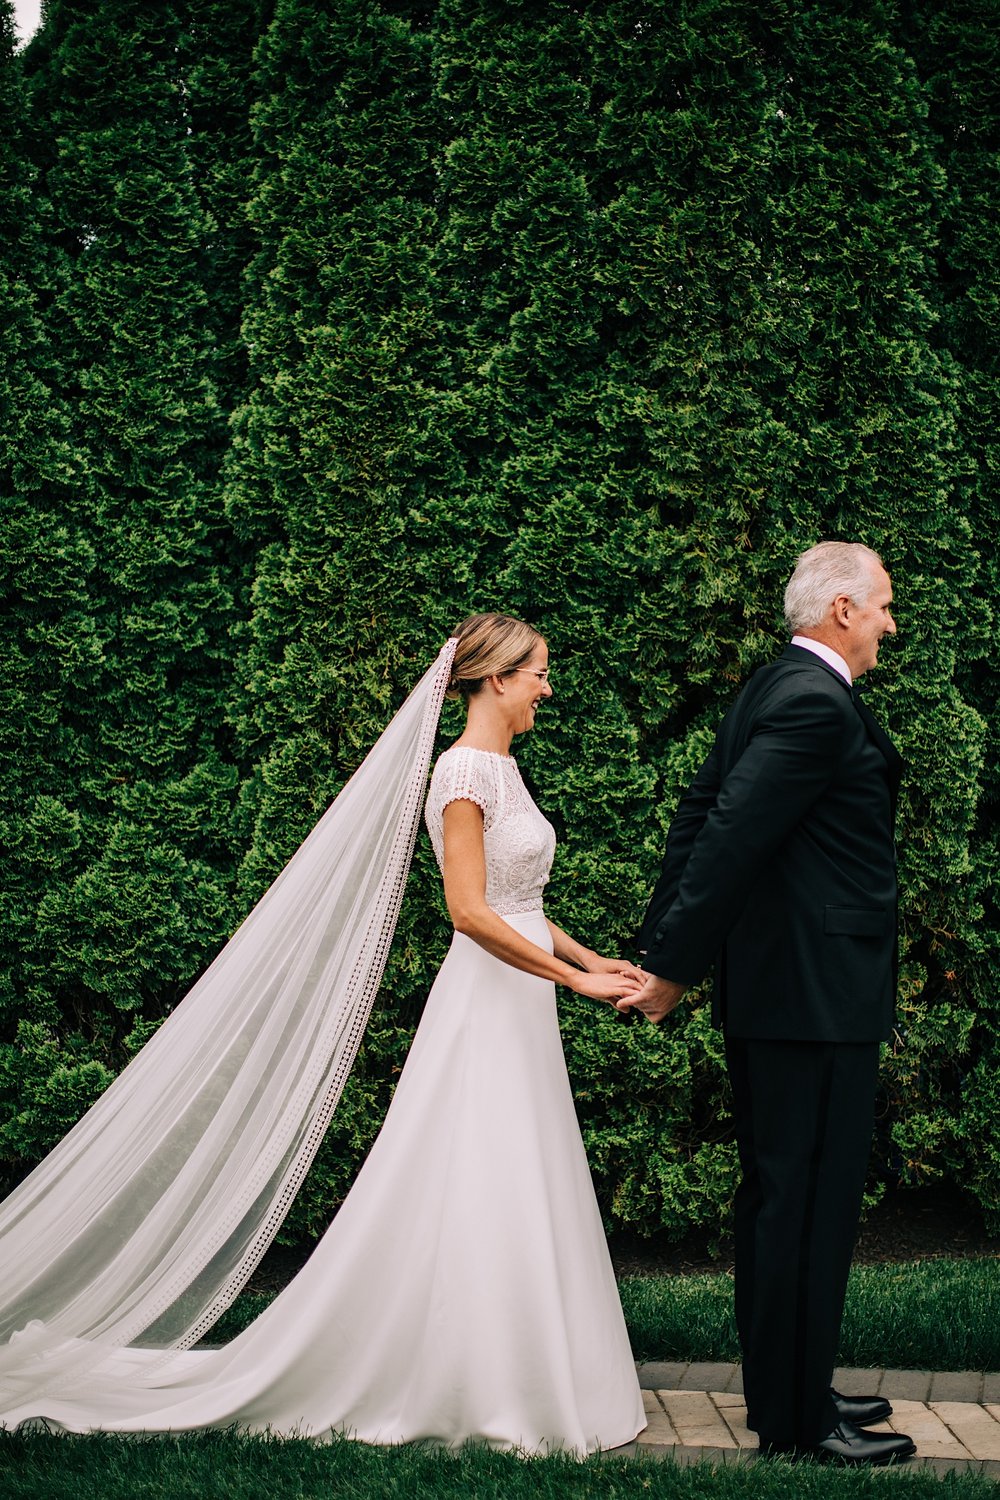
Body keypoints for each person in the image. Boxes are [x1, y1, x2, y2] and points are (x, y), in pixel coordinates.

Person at [0, 613, 646, 1456]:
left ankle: (518, 1363)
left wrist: (600, 963)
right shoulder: (460, 774)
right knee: (480, 1164)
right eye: (538, 676)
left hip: (524, 998)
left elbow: (522, 904)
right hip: (489, 1000)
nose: (547, 689)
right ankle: (478, 1375)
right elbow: (468, 911)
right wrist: (575, 980)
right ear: (495, 679)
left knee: (519, 1166)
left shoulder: (504, 769)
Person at [620, 542, 916, 1466]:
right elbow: (730, 836)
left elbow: (700, 817)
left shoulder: (769, 688)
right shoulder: (813, 703)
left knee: (781, 1197)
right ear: (839, 609)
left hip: (788, 993)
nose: (889, 625)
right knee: (807, 1204)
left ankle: (789, 1392)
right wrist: (669, 966)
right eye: (881, 609)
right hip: (812, 999)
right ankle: (797, 1422)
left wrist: (664, 943)